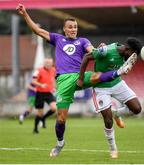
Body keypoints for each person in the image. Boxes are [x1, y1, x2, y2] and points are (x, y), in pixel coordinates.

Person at [16, 3, 135, 157]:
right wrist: (25, 14)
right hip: (63, 82)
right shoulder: (57, 39)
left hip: (78, 76)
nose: (73, 29)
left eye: (75, 27)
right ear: (64, 29)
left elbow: (91, 51)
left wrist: (100, 50)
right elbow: (37, 30)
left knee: (96, 76)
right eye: (70, 27)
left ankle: (119, 72)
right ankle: (60, 143)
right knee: (61, 119)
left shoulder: (83, 41)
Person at [77, 38, 142, 158]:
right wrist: (81, 78)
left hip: (117, 84)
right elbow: (86, 57)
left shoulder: (127, 54)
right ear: (128, 49)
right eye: (133, 54)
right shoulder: (105, 51)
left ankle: (116, 112)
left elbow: (124, 67)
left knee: (137, 109)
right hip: (101, 87)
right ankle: (113, 148)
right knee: (108, 120)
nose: (133, 57)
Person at [32, 57, 56, 133]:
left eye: (50, 63)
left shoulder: (53, 70)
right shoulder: (38, 71)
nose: (48, 64)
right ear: (44, 63)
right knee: (40, 113)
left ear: (52, 63)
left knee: (54, 108)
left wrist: (54, 87)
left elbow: (53, 80)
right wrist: (41, 85)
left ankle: (44, 118)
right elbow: (33, 81)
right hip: (40, 93)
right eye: (47, 63)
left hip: (49, 93)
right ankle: (35, 129)